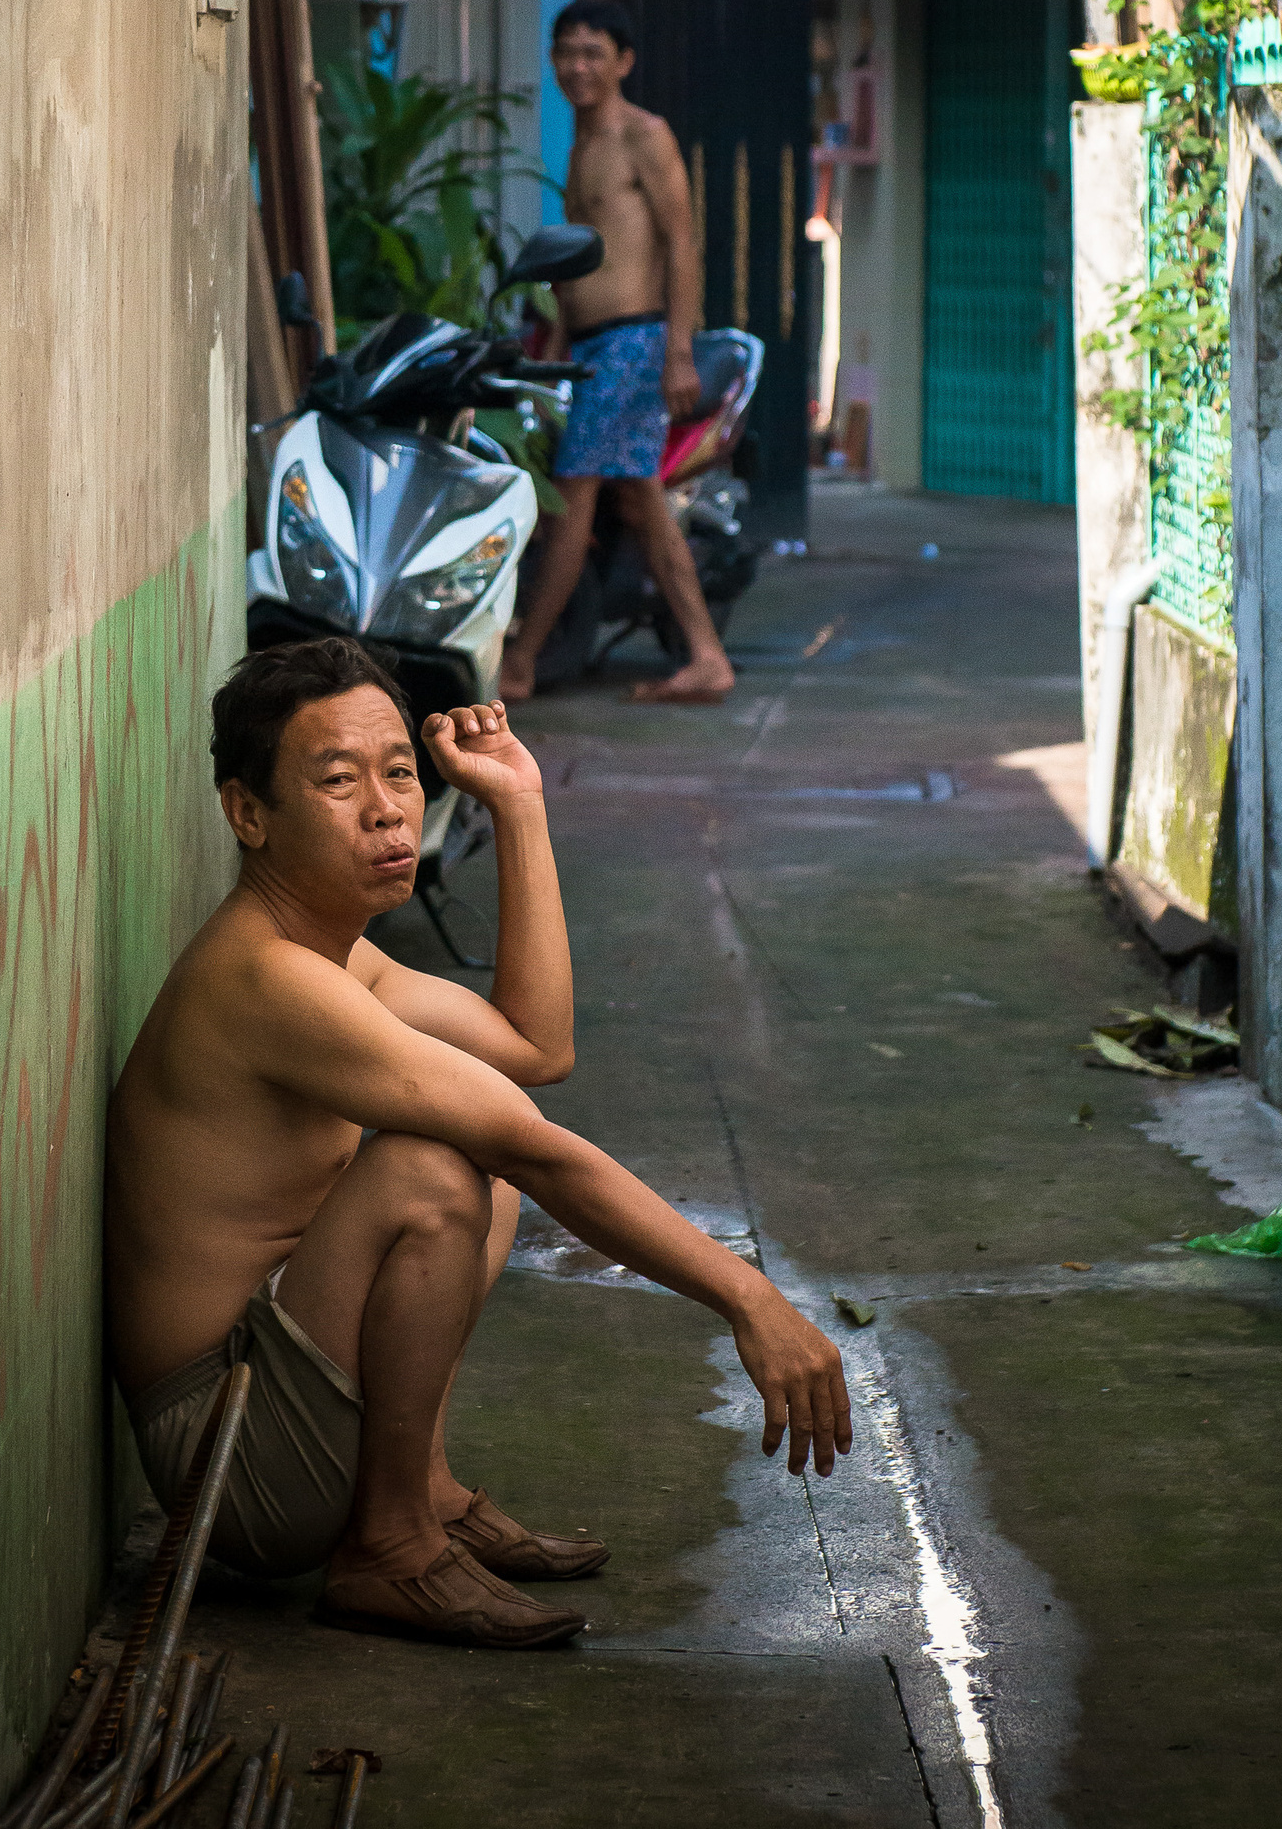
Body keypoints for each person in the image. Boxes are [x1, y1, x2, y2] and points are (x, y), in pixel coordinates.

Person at [105, 638, 849, 1649]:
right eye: (335, 782)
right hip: (226, 1453)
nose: (385, 808)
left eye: (399, 772)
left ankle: (421, 1492)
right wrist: (750, 1297)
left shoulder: (334, 954)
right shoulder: (266, 980)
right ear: (248, 814)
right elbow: (535, 1139)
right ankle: (387, 1547)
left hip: (274, 1401)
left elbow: (535, 1046)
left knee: (480, 1178)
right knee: (432, 1168)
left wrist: (517, 803)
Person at [495, 0, 737, 704]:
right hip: (594, 347)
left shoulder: (644, 135)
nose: (578, 66)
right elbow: (578, 266)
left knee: (573, 499)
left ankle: (521, 662)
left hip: (637, 341)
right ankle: (706, 656)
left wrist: (679, 352)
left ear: (623, 62)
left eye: (593, 52)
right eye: (566, 52)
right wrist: (557, 347)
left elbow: (681, 241)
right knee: (642, 504)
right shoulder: (578, 145)